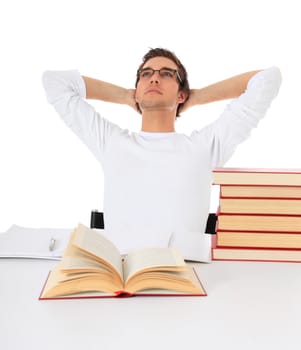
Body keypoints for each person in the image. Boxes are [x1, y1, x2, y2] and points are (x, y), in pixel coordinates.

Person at [42, 48, 282, 261]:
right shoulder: (112, 142)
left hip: (185, 278)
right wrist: (126, 95)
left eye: (167, 74)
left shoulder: (204, 147)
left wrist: (196, 97)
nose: (154, 78)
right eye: (146, 74)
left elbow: (267, 79)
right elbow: (54, 82)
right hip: (121, 277)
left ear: (181, 95)